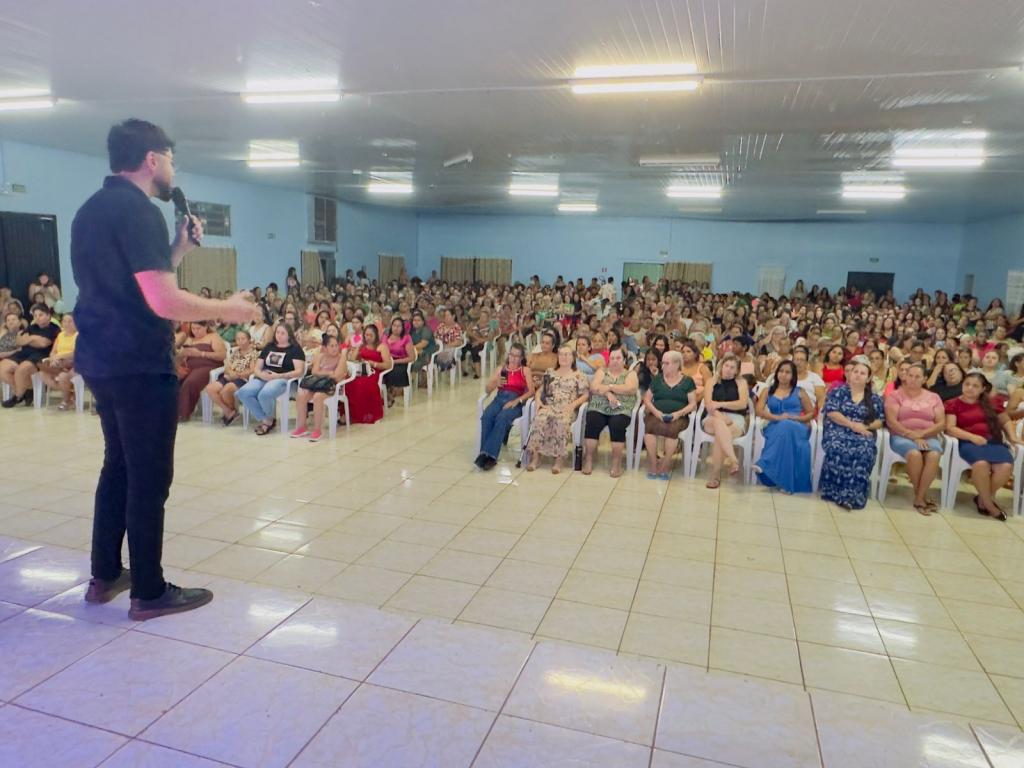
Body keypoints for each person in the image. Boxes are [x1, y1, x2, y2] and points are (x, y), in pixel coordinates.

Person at [70, 118, 259, 620]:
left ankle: (105, 574)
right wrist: (228, 310)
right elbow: (162, 300)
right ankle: (149, 592)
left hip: (102, 358)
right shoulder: (140, 210)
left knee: (118, 465)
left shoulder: (90, 210)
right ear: (152, 160)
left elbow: (134, 284)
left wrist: (178, 250)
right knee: (149, 477)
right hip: (137, 361)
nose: (174, 169)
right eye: (172, 159)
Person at [944, 372, 1024, 520]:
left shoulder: (991, 403)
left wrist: (1013, 437)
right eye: (967, 384)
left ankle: (982, 499)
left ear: (983, 389)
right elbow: (950, 428)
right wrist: (972, 437)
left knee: (1006, 466)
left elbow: (1005, 420)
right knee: (981, 464)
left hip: (993, 441)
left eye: (975, 386)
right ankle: (989, 504)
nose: (970, 388)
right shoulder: (953, 403)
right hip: (968, 441)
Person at [819, 359, 884, 510]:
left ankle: (852, 496)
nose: (858, 375)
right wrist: (852, 425)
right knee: (837, 446)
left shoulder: (874, 398)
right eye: (855, 372)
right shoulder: (838, 391)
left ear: (868, 378)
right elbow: (832, 412)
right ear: (849, 374)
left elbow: (880, 421)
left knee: (864, 450)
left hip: (863, 431)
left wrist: (864, 426)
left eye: (862, 373)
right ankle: (833, 492)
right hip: (837, 428)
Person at [884, 362, 946, 513]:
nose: (913, 379)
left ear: (924, 379)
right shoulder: (895, 395)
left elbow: (941, 423)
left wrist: (922, 434)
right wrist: (912, 435)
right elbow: (891, 421)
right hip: (901, 435)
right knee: (914, 454)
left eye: (917, 377)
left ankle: (919, 497)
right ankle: (921, 497)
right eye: (910, 375)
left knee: (934, 454)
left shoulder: (934, 397)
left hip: (927, 436)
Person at [526, 344, 590, 473]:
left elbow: (585, 395)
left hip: (567, 408)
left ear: (573, 358)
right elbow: (541, 390)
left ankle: (559, 460)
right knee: (539, 419)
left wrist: (573, 405)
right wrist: (538, 400)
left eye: (567, 354)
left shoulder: (579, 375)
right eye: (561, 354)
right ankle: (536, 457)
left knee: (561, 422)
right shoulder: (550, 372)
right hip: (550, 405)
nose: (563, 357)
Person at [753, 360, 814, 493]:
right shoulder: (767, 391)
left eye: (787, 372)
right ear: (776, 373)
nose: (783, 375)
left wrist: (795, 418)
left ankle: (765, 464)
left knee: (786, 425)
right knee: (783, 427)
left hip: (797, 426)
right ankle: (784, 483)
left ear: (793, 376)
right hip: (774, 424)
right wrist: (776, 417)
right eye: (781, 371)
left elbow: (811, 413)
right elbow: (758, 411)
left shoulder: (800, 392)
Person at [236, 323, 305, 435]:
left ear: (289, 335)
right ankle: (266, 419)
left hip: (283, 379)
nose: (279, 335)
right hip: (264, 377)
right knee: (243, 392)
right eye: (277, 332)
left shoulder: (295, 349)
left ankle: (267, 422)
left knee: (264, 394)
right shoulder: (269, 346)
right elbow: (257, 368)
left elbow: (299, 371)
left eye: (283, 333)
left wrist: (278, 376)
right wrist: (261, 375)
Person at [477, 343, 535, 470]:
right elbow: (487, 389)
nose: (513, 358)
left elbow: (531, 391)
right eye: (511, 355)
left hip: (515, 401)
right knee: (487, 416)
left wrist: (517, 401)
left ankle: (490, 456)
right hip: (499, 399)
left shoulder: (525, 370)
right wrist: (496, 383)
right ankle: (484, 453)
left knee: (502, 418)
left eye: (517, 356)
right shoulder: (501, 369)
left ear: (521, 358)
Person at [641, 350, 698, 479]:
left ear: (677, 364)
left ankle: (665, 464)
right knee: (649, 428)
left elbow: (693, 404)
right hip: (657, 414)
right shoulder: (657, 379)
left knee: (672, 430)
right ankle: (653, 464)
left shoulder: (688, 381)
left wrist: (678, 413)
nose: (663, 366)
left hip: (679, 417)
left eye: (667, 363)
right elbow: (647, 399)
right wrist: (656, 412)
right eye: (663, 363)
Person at [583, 346, 638, 477]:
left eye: (618, 358)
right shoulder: (602, 371)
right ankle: (588, 459)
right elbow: (594, 387)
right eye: (612, 358)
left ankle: (616, 463)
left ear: (624, 360)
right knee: (592, 421)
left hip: (621, 408)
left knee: (617, 424)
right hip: (599, 406)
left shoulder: (630, 374)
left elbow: (630, 388)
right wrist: (608, 394)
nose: (615, 361)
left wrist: (609, 387)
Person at [701, 355, 750, 489]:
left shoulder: (741, 382)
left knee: (720, 436)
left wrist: (721, 404)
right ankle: (733, 459)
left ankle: (715, 476)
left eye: (732, 367)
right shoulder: (712, 381)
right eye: (726, 366)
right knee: (719, 425)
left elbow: (742, 404)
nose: (728, 369)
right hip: (713, 416)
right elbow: (709, 405)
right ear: (721, 366)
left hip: (736, 418)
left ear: (737, 370)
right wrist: (721, 417)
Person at [0, 303, 59, 408]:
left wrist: (30, 338)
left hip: (40, 355)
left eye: (40, 315)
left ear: (48, 315)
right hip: (23, 353)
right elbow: (19, 341)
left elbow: (43, 344)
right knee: (2, 368)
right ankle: (24, 391)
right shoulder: (32, 327)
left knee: (21, 370)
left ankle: (17, 396)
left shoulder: (53, 328)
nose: (37, 318)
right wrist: (34, 339)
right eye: (35, 315)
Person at [291, 334, 348, 441]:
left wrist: (323, 373)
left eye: (336, 345)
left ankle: (317, 430)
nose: (335, 348)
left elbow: (337, 375)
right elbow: (314, 372)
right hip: (317, 384)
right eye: (331, 346)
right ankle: (302, 427)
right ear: (325, 348)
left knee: (318, 396)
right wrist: (328, 373)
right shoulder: (319, 356)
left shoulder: (341, 358)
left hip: (333, 386)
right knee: (301, 394)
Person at [205, 329, 259, 425]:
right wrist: (230, 373)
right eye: (238, 339)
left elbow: (252, 370)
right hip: (229, 376)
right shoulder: (235, 352)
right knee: (210, 389)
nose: (240, 341)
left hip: (243, 379)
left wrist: (237, 375)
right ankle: (228, 411)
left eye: (243, 339)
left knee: (226, 390)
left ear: (249, 340)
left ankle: (232, 412)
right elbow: (227, 366)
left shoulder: (254, 353)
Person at [175, 321, 227, 422]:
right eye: (193, 329)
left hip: (208, 366)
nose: (195, 331)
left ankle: (183, 414)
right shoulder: (189, 339)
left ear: (205, 327)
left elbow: (222, 356)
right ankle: (170, 411)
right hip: (189, 367)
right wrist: (180, 357)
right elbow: (180, 357)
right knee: (173, 381)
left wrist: (201, 354)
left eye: (198, 328)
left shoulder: (213, 337)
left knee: (190, 382)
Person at [347, 324, 391, 424]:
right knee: (349, 381)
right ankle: (351, 413)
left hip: (374, 371)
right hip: (361, 370)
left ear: (376, 335)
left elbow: (388, 365)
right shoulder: (362, 346)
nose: (368, 338)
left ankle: (366, 414)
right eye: (366, 335)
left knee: (362, 383)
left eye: (371, 335)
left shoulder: (381, 346)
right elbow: (352, 359)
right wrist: (358, 347)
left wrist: (373, 363)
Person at [38, 312, 79, 410]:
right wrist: (53, 359)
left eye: (70, 321)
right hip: (59, 364)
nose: (67, 324)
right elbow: (53, 352)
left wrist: (60, 356)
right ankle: (70, 394)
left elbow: (77, 352)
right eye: (64, 321)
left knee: (63, 376)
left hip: (73, 363)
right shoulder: (60, 335)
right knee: (43, 374)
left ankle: (66, 400)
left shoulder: (79, 335)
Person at [383, 317, 414, 406]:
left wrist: (395, 362)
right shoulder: (385, 336)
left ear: (402, 328)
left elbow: (411, 357)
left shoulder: (406, 338)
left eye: (399, 326)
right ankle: (387, 396)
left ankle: (389, 395)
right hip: (387, 360)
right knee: (378, 372)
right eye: (394, 325)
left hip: (400, 362)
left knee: (392, 372)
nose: (396, 328)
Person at [409, 311, 437, 388]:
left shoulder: (426, 330)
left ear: (423, 322)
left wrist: (411, 349)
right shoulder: (412, 331)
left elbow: (423, 344)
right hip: (416, 352)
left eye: (418, 320)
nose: (416, 322)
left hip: (427, 353)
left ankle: (411, 382)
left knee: (414, 363)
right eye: (414, 320)